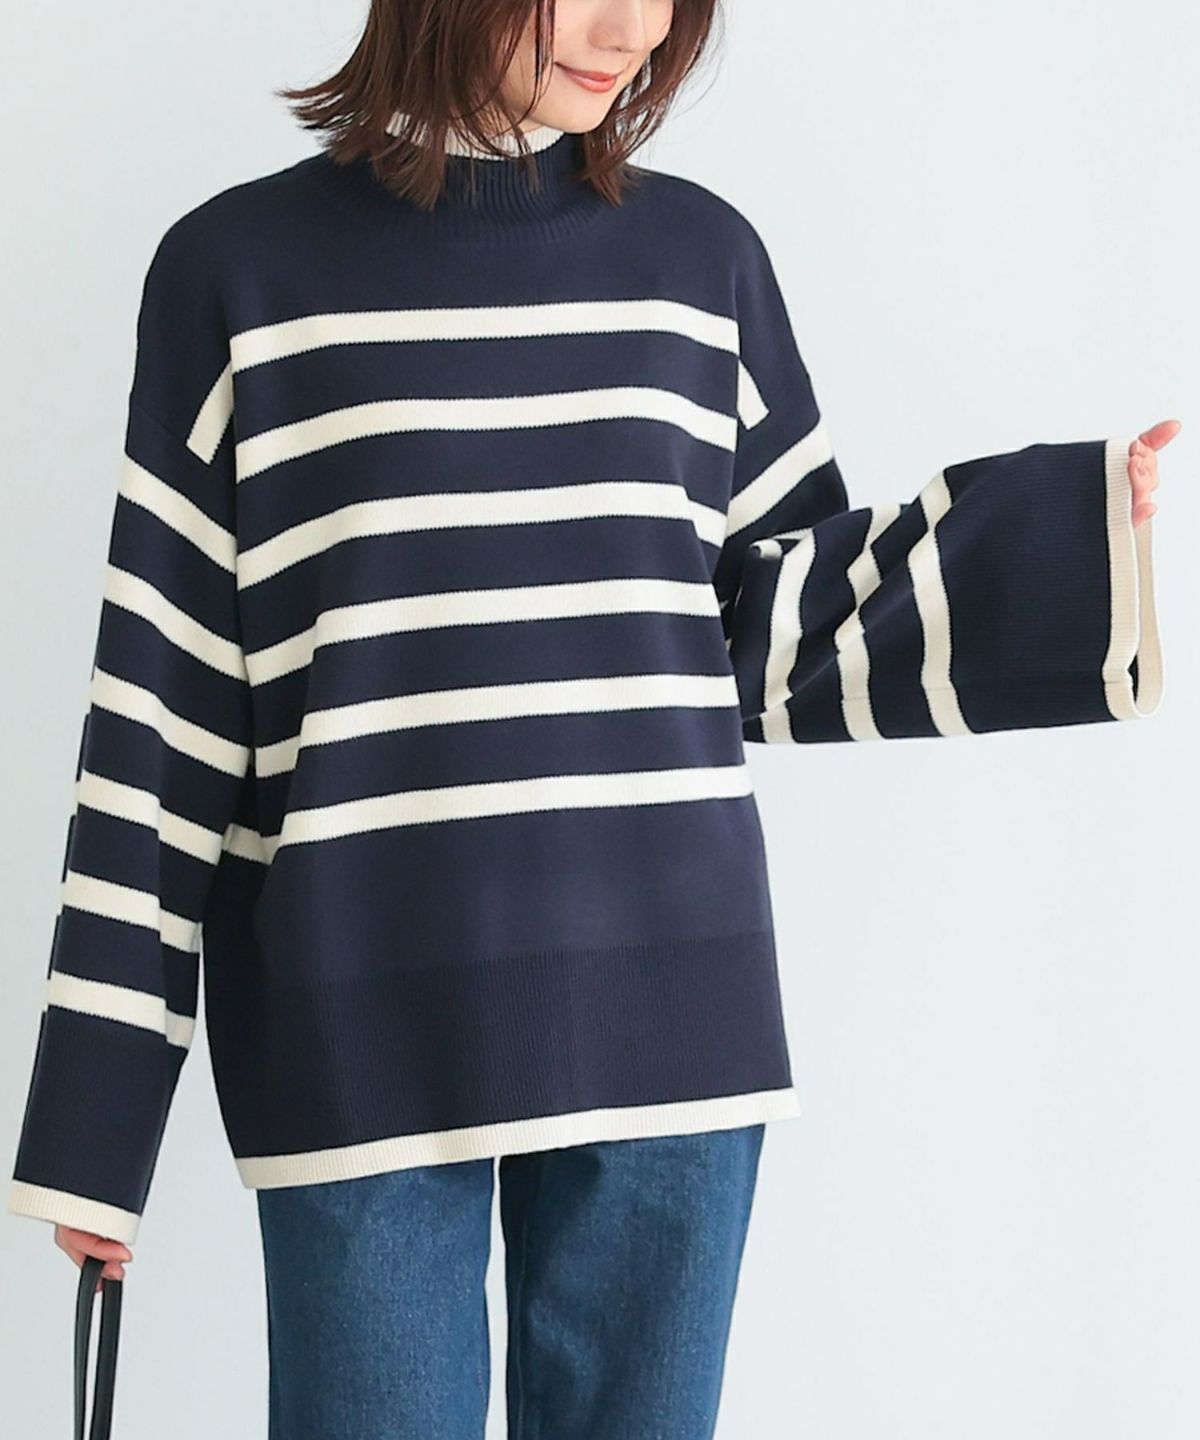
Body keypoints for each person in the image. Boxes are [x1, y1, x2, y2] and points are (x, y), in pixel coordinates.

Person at [7, 1, 1175, 1435]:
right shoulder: (237, 270)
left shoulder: (703, 264)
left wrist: (1067, 536)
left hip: (671, 1015)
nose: (631, 27)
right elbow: (165, 705)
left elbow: (778, 632)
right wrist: (96, 1123)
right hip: (358, 1015)